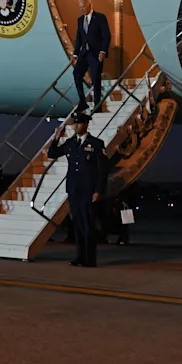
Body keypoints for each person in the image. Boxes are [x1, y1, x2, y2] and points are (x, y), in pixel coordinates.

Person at [47, 112, 107, 266]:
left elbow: (102, 170)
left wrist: (98, 190)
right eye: (75, 123)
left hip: (88, 190)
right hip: (74, 189)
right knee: (78, 224)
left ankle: (90, 259)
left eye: (79, 123)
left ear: (86, 125)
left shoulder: (96, 144)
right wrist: (56, 137)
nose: (76, 126)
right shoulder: (70, 143)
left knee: (88, 225)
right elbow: (52, 153)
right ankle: (80, 257)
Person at [72, 0, 110, 112]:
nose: (82, 10)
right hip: (85, 53)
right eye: (80, 8)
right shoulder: (80, 20)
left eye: (83, 7)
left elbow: (106, 35)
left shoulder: (100, 17)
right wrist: (75, 54)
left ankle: (97, 106)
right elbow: (79, 38)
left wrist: (103, 51)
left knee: (95, 78)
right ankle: (82, 101)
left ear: (89, 5)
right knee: (77, 74)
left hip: (96, 53)